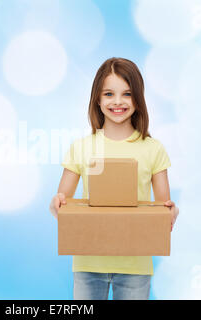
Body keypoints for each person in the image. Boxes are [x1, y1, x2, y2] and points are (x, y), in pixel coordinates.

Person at [49, 57, 179, 300]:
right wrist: (57, 205)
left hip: (135, 266)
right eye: (109, 94)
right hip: (88, 263)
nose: (117, 102)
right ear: (97, 99)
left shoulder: (153, 149)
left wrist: (170, 213)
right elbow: (63, 203)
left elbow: (162, 209)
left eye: (127, 94)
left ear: (138, 100)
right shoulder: (81, 148)